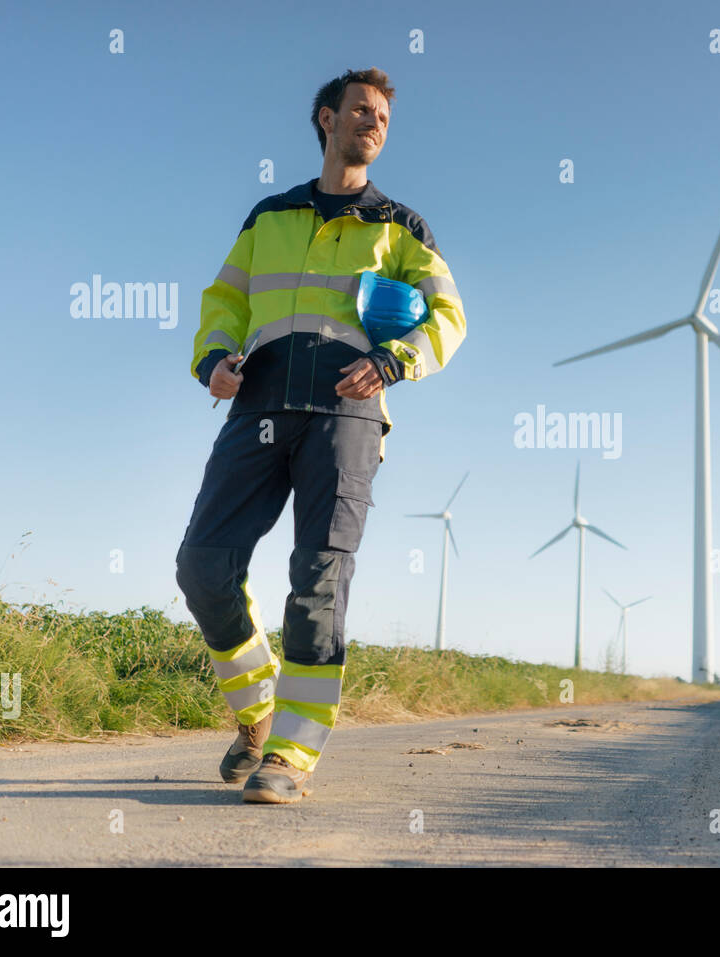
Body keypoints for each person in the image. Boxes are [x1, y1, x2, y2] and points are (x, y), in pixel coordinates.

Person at [175, 67, 466, 804]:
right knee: (203, 563)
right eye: (361, 111)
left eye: (384, 119)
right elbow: (224, 300)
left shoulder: (402, 226)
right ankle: (257, 711)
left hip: (347, 413)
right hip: (260, 402)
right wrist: (213, 357)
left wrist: (393, 359)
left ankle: (293, 754)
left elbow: (449, 317)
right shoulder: (268, 216)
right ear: (326, 119)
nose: (374, 124)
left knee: (318, 579)